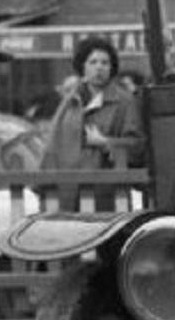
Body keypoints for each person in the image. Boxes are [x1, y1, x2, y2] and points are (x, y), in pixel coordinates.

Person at [42, 35, 145, 210]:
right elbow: (53, 143)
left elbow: (138, 146)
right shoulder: (70, 100)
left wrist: (105, 143)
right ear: (83, 67)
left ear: (112, 68)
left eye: (105, 63)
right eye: (93, 62)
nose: (99, 68)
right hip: (67, 190)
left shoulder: (125, 101)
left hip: (107, 193)